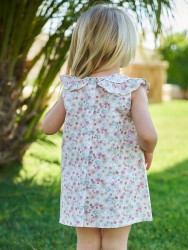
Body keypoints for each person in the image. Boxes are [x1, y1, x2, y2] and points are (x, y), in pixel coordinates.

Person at [42, 4, 157, 250]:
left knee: (86, 241)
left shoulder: (73, 87)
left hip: (80, 185)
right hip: (118, 183)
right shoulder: (132, 88)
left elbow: (48, 126)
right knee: (115, 243)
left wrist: (67, 94)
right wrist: (148, 149)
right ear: (124, 45)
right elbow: (147, 135)